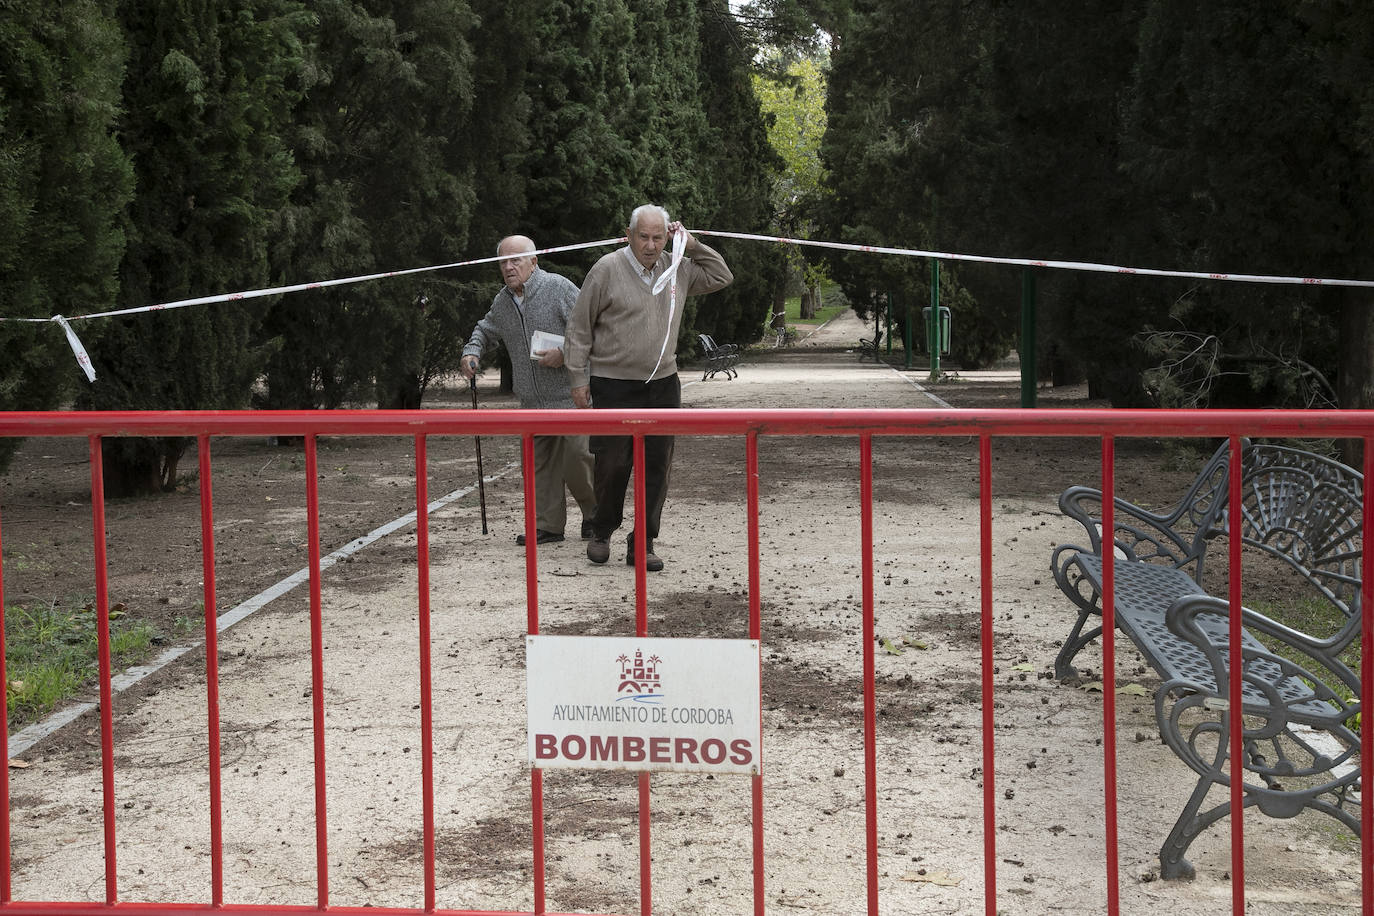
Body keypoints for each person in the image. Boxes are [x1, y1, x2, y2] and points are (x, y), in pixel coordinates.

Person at [564, 205, 733, 571]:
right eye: (644, 236)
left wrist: (690, 243)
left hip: (662, 384)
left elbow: (721, 275)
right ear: (629, 235)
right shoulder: (607, 269)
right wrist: (578, 378)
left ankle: (643, 541)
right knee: (611, 463)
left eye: (659, 237)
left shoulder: (678, 268)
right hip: (612, 384)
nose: (652, 245)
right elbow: (578, 328)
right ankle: (602, 530)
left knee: (658, 465)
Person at [461, 235, 596, 546]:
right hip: (532, 403)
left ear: (534, 262)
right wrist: (472, 351)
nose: (509, 267)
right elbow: (484, 328)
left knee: (578, 460)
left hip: (570, 396)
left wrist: (565, 351)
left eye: (516, 260)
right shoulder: (503, 301)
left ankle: (594, 515)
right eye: (503, 262)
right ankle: (548, 526)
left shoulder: (558, 288)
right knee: (538, 467)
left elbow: (590, 327)